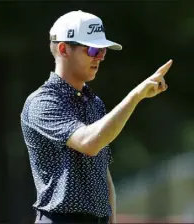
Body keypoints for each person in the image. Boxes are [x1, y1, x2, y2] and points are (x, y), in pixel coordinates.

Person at [20, 10, 173, 224]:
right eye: (92, 50)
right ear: (64, 49)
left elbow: (101, 168)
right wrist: (135, 96)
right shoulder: (41, 102)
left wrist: (111, 218)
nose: (100, 58)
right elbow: (88, 143)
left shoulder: (94, 102)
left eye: (103, 51)